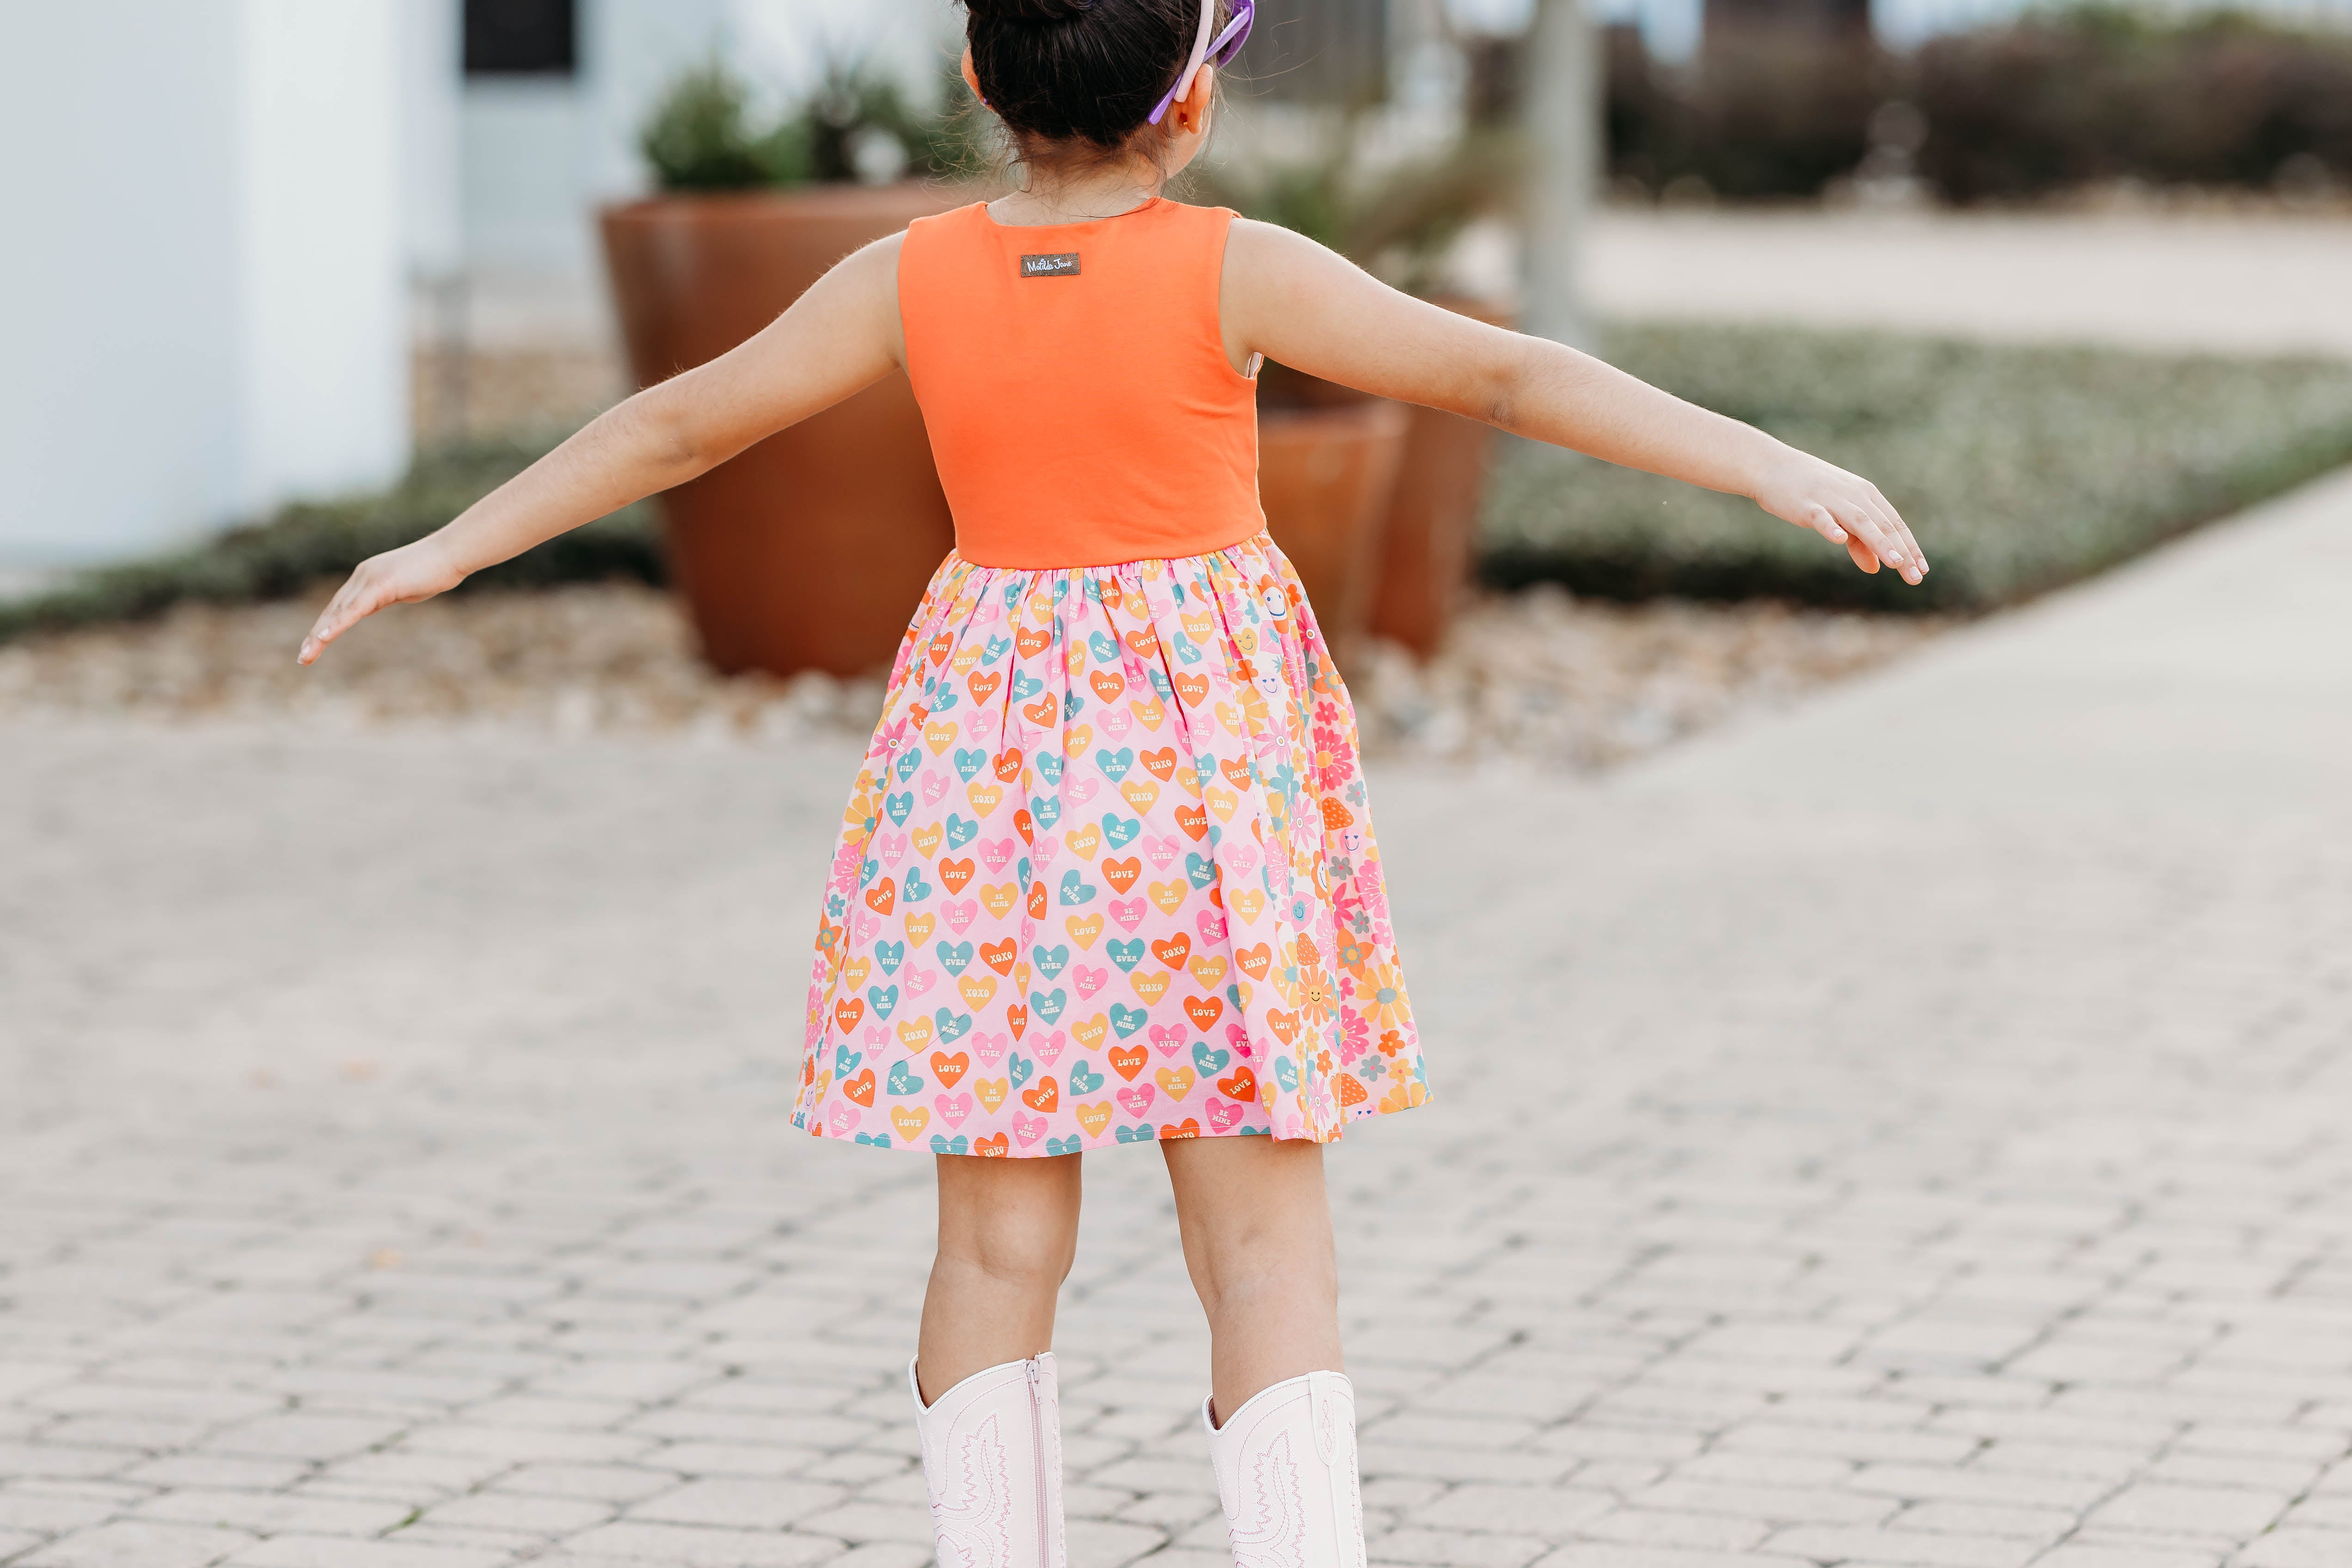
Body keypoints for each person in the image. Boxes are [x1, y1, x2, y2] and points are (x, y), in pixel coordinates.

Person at [299, 0, 1927, 1559]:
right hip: (1200, 782)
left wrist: (446, 547)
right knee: (1263, 1239)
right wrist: (1778, 465)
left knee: (998, 1244)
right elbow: (1500, 379)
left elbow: (677, 429)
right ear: (1191, 98)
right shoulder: (1240, 270)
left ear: (977, 77)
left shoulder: (911, 276)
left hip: (985, 771)